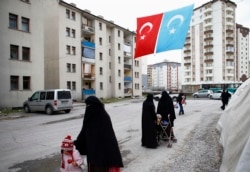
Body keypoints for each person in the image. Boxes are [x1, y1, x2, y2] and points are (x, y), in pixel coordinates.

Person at [74, 96, 123, 172]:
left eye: (89, 105)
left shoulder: (104, 117)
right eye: (87, 106)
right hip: (93, 154)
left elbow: (109, 137)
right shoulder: (89, 117)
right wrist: (74, 144)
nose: (88, 107)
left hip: (104, 155)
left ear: (95, 105)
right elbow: (83, 133)